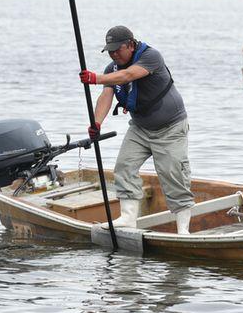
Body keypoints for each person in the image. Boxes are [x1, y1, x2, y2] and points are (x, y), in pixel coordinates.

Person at [79, 25, 194, 234]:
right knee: (124, 167)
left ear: (131, 45)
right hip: (140, 128)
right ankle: (128, 219)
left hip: (170, 128)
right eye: (110, 51)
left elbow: (129, 76)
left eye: (118, 49)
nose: (114, 54)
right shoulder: (111, 69)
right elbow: (106, 96)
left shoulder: (152, 57)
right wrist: (97, 123)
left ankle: (183, 230)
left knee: (172, 174)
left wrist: (95, 78)